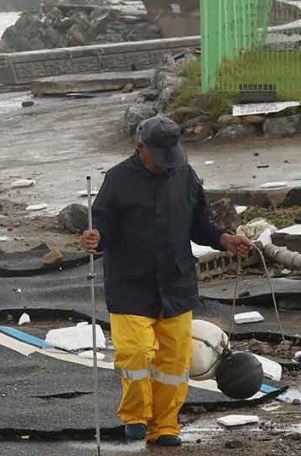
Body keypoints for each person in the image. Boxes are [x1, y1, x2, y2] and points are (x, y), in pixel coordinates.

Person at [81, 115, 254, 447]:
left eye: (170, 158)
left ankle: (165, 425)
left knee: (173, 363)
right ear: (139, 147)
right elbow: (101, 225)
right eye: (159, 158)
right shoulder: (117, 180)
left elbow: (200, 225)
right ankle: (135, 416)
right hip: (130, 284)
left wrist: (224, 239)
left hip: (176, 283)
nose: (165, 165)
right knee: (136, 354)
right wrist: (94, 238)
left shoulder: (185, 176)